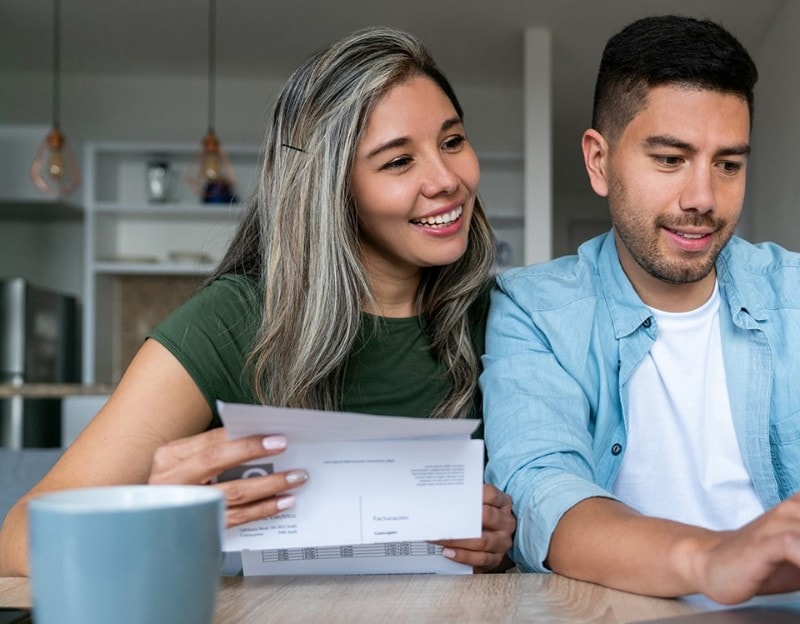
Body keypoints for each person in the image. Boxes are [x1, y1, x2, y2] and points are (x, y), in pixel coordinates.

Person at [0, 27, 515, 576]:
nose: (447, 179)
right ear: (328, 189)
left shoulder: (508, 317)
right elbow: (16, 543)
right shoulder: (230, 323)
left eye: (452, 141)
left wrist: (509, 539)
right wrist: (156, 515)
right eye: (397, 162)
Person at [481, 15, 800, 604]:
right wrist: (714, 556)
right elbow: (543, 493)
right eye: (670, 159)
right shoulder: (533, 309)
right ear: (599, 161)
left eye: (728, 164)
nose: (703, 199)